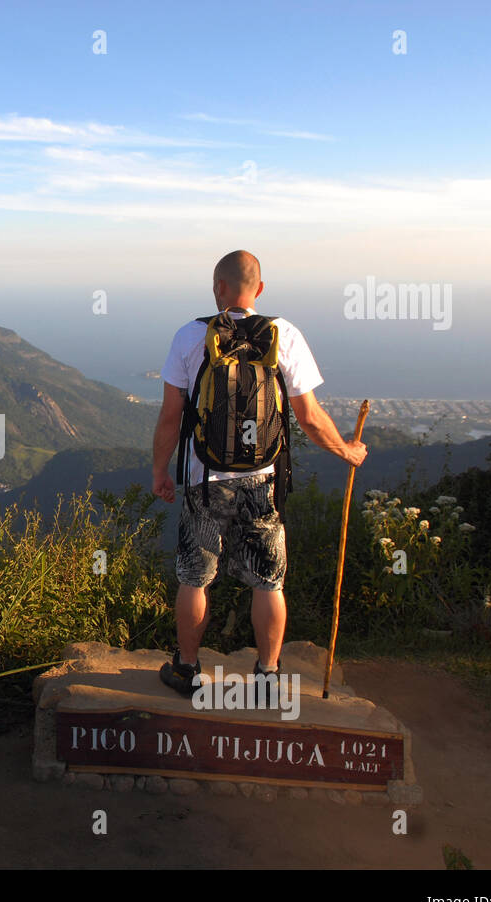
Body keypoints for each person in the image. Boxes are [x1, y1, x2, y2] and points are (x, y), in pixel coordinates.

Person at [151, 250, 367, 694]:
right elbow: (308, 416)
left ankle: (187, 669)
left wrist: (160, 473)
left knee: (195, 576)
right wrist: (345, 450)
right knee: (269, 580)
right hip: (263, 480)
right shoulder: (283, 334)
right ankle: (267, 674)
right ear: (260, 289)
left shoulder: (191, 336)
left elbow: (171, 417)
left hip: (204, 480)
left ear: (218, 289)